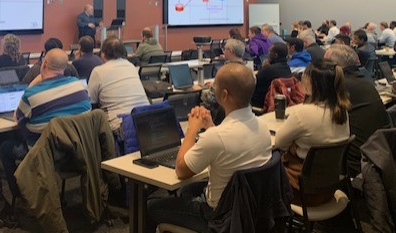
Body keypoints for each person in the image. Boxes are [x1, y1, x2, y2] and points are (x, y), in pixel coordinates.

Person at [147, 63, 272, 232]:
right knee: (188, 190)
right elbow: (225, 143)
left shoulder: (215, 137)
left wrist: (192, 129)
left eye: (215, 85)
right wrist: (210, 126)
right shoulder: (262, 127)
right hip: (249, 210)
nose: (212, 88)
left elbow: (181, 170)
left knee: (151, 206)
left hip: (218, 217)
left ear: (224, 95)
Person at [0, 49, 91, 198]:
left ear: (44, 64)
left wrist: (34, 82)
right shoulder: (79, 86)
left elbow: (17, 117)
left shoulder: (32, 94)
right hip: (78, 152)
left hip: (46, 155)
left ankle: (20, 198)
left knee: (5, 148)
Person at [275, 59, 350, 205]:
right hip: (330, 188)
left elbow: (279, 143)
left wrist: (294, 147)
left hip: (302, 192)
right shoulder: (342, 111)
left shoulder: (303, 114)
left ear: (311, 82)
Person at [324, 45, 390, 175]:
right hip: (377, 156)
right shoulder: (366, 82)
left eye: (325, 63)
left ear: (334, 67)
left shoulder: (339, 87)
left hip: (355, 163)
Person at [88, 38, 149, 131]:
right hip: (146, 121)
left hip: (120, 126)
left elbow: (91, 102)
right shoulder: (131, 66)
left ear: (103, 54)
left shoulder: (98, 71)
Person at [250, 43, 292, 109]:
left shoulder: (268, 70)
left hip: (262, 104)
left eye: (270, 51)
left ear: (275, 55)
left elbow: (254, 82)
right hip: (281, 103)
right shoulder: (287, 68)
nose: (268, 54)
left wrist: (263, 69)